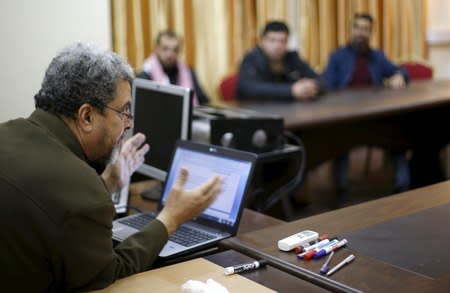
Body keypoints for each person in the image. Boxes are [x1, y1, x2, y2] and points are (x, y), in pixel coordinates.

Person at [0, 42, 222, 292]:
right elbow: (107, 273)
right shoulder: (81, 190)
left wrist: (107, 183)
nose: (128, 125)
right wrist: (171, 217)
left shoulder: (7, 131)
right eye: (124, 111)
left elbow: (56, 210)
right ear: (87, 117)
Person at [322, 13, 410, 194]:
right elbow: (327, 84)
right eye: (357, 28)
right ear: (351, 30)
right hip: (345, 116)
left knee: (399, 134)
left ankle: (403, 185)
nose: (360, 32)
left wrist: (400, 75)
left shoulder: (377, 56)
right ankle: (342, 190)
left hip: (375, 116)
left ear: (370, 33)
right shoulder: (338, 56)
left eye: (365, 29)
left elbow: (400, 70)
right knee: (339, 141)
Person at [237, 20, 323, 101]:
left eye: (282, 41)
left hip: (291, 110)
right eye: (272, 40)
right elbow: (249, 88)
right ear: (262, 41)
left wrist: (311, 86)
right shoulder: (251, 59)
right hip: (258, 111)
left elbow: (322, 80)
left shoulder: (292, 58)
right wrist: (291, 90)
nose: (277, 46)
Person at [137, 30, 209, 105]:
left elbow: (203, 101)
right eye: (165, 49)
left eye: (175, 50)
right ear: (156, 49)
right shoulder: (145, 77)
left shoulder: (189, 73)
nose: (170, 54)